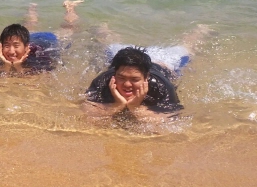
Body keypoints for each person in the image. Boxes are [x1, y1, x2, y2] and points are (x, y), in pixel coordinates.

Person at [83, 25, 212, 120]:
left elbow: (169, 123)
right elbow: (88, 117)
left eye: (134, 80)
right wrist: (118, 105)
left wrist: (135, 107)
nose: (127, 84)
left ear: (146, 78)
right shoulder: (103, 81)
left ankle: (202, 28)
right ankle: (100, 24)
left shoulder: (161, 86)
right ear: (114, 74)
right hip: (132, 58)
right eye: (121, 78)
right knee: (108, 41)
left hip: (164, 61)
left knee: (188, 47)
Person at [0, 0, 83, 74]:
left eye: (16, 46)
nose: (11, 51)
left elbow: (33, 80)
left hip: (48, 40)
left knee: (70, 26)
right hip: (31, 37)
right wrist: (7, 66)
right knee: (30, 25)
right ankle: (32, 8)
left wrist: (18, 67)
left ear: (26, 47)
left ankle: (70, 7)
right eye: (7, 45)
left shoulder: (39, 56)